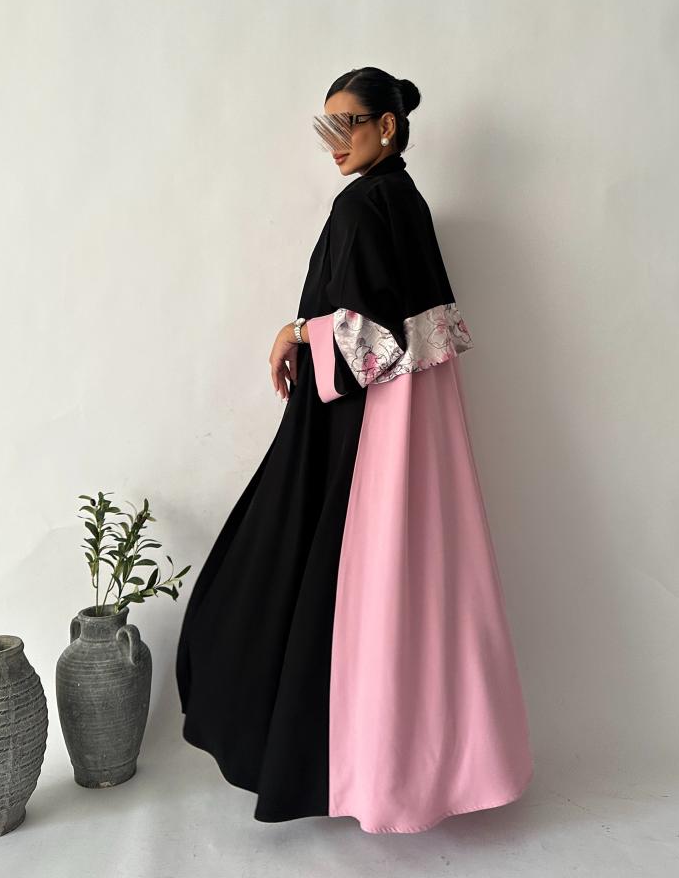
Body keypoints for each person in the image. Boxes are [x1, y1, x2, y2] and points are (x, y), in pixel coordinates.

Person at [175, 66, 534, 835]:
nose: (334, 142)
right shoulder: (405, 201)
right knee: (415, 582)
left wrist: (291, 332)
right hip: (412, 426)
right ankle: (425, 767)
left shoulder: (366, 205)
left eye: (347, 124)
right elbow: (407, 331)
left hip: (373, 431)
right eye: (327, 126)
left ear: (387, 127)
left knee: (327, 577)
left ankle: (367, 770)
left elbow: (370, 340)